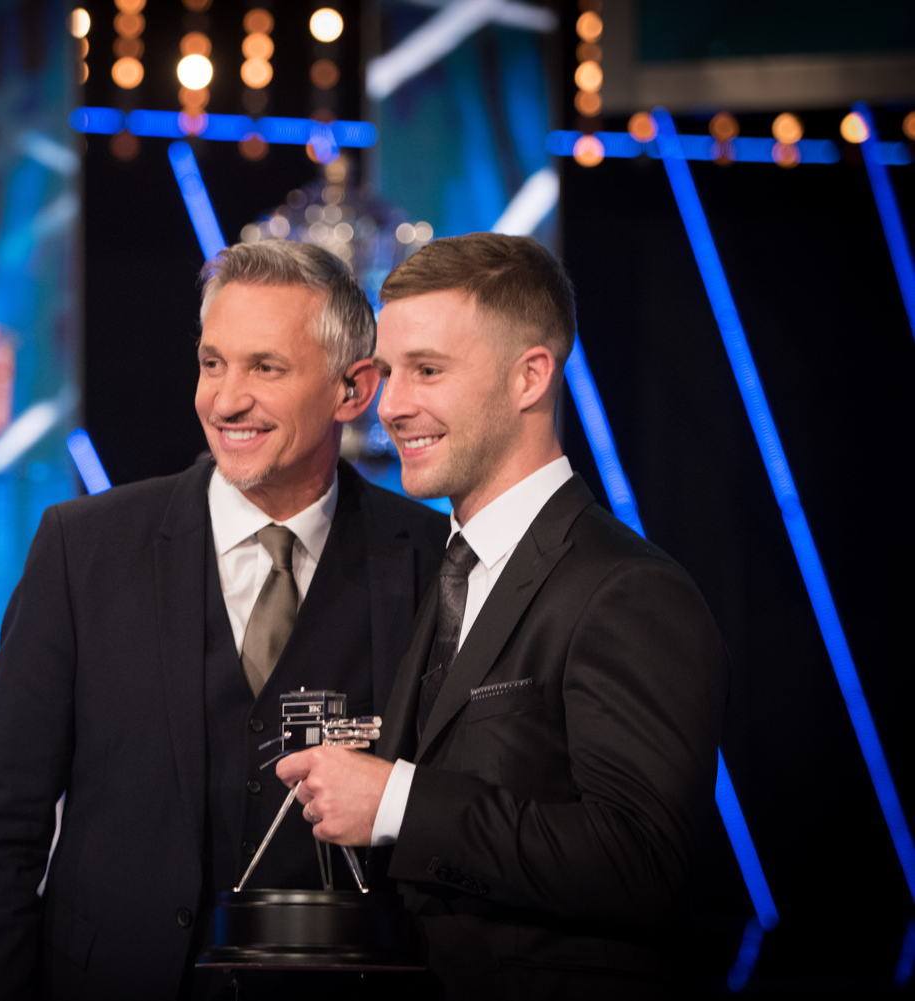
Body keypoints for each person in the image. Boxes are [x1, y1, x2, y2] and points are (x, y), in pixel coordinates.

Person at [0, 241, 450, 999]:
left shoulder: (431, 560)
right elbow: (2, 825)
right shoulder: (82, 548)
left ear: (354, 389)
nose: (225, 400)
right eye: (212, 364)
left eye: (265, 368)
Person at [276, 233, 728, 997]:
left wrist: (398, 800)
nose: (393, 405)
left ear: (531, 376)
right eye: (388, 371)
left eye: (427, 370)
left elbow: (642, 862)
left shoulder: (628, 589)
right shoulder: (441, 570)